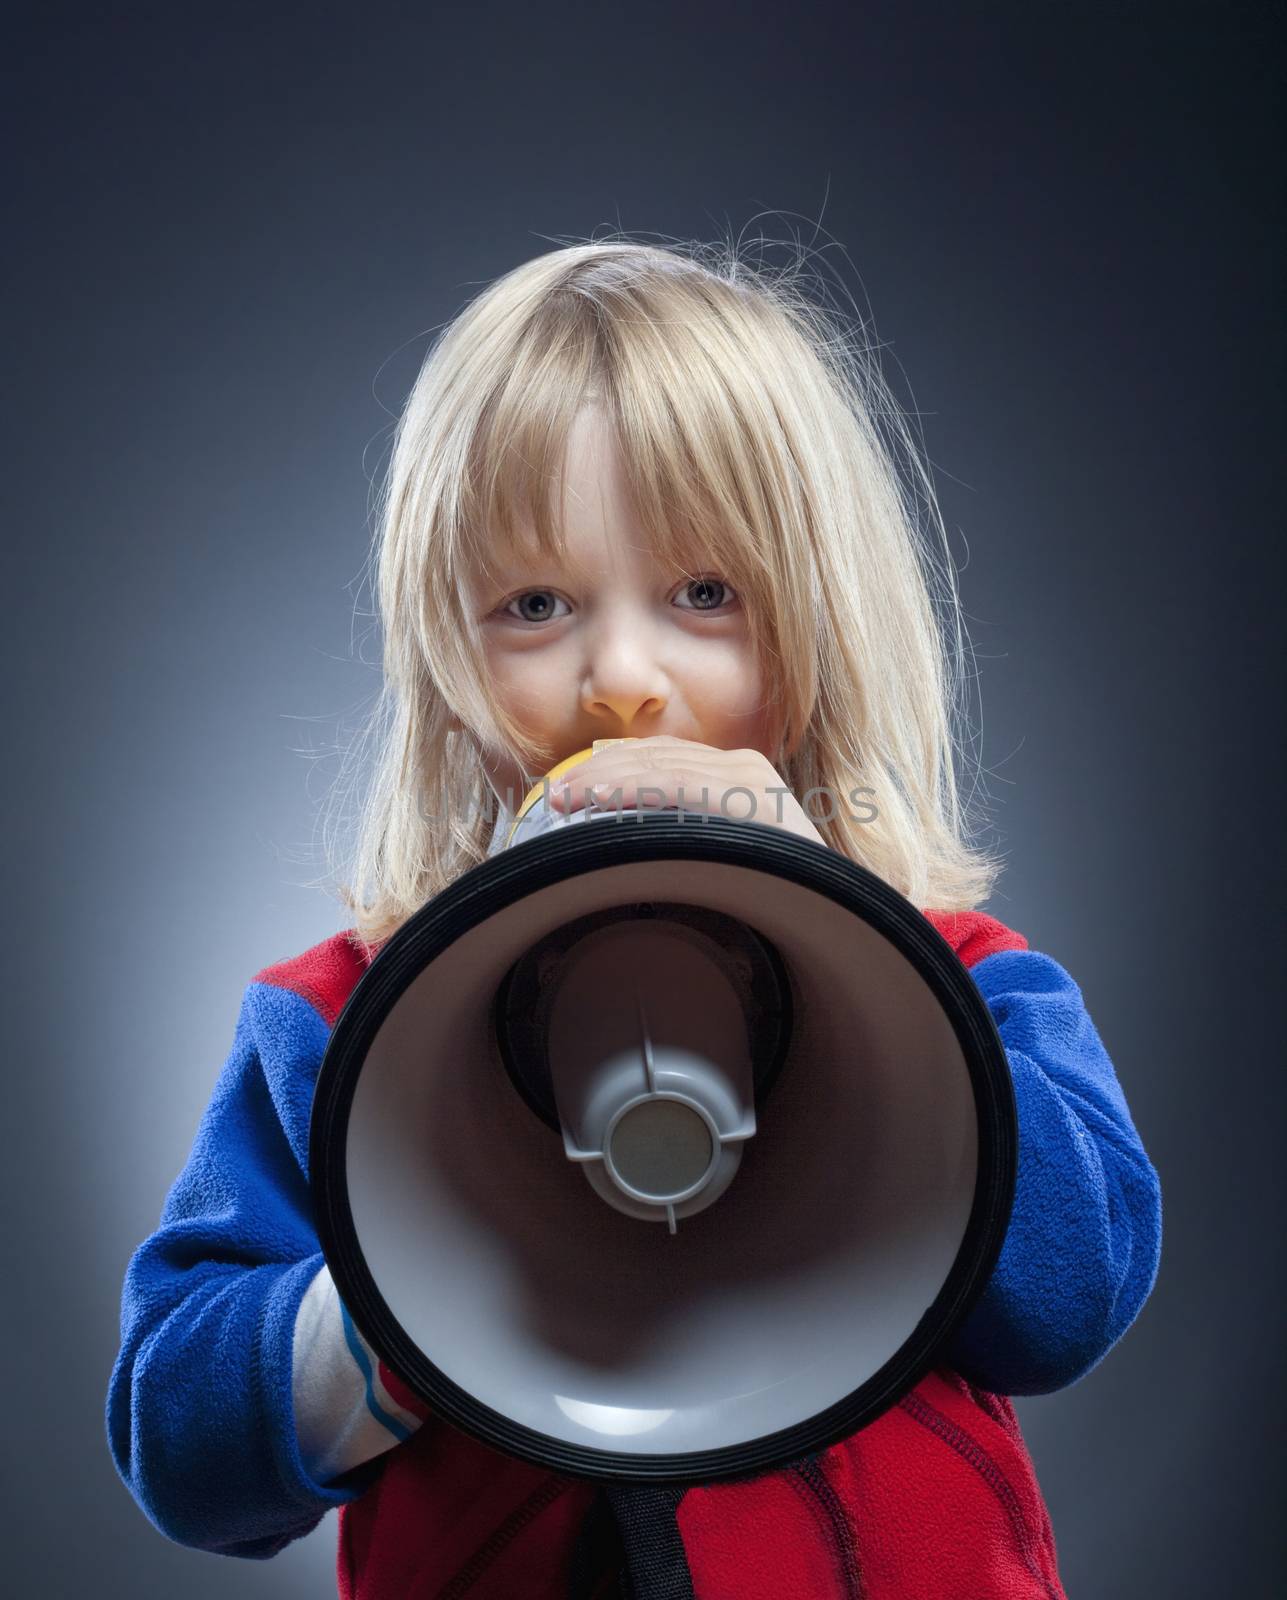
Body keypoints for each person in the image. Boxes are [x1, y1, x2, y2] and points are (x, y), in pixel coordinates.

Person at [107, 237, 1163, 1599]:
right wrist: (395, 1315)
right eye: (535, 606)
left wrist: (874, 983)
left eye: (705, 595)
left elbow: (1073, 1299)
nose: (622, 681)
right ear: (445, 659)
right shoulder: (333, 1023)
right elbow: (179, 1445)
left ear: (822, 624)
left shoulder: (964, 977)